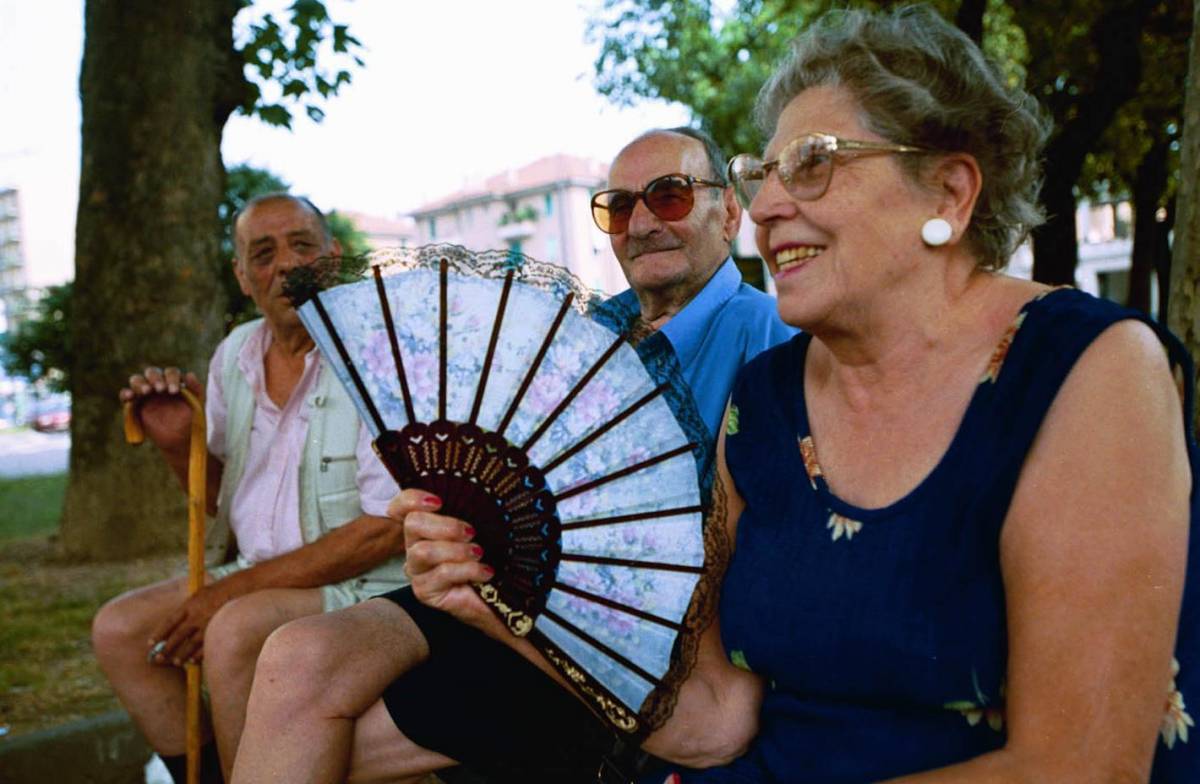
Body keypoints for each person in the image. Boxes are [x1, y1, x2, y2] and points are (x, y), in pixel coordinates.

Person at [651, 5, 1194, 781]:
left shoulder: (1088, 369)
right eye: (761, 174)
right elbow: (713, 713)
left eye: (813, 162)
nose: (766, 208)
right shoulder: (762, 401)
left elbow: (1078, 767)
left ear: (948, 192)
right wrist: (516, 607)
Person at [229, 127, 796, 783]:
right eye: (617, 206)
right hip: (496, 591)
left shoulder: (775, 344)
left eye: (667, 197)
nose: (639, 223)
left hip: (622, 644)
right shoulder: (574, 336)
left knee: (308, 747)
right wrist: (442, 523)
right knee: (293, 655)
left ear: (728, 211)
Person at [92, 193, 409, 783]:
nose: (285, 264)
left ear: (332, 256)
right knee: (120, 630)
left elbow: (383, 530)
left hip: (363, 585)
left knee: (233, 627)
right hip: (257, 571)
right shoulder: (234, 353)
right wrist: (174, 441)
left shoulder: (376, 355)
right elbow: (218, 500)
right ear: (242, 276)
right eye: (263, 253)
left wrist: (232, 591)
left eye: (302, 245)